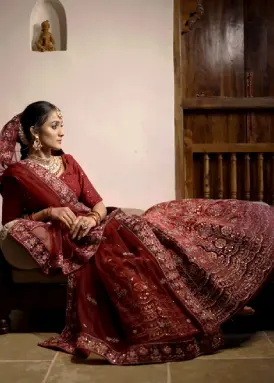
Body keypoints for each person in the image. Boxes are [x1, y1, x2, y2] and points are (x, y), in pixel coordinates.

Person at [0, 101, 273, 365]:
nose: (62, 132)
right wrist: (49, 213)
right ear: (35, 132)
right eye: (55, 125)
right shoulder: (17, 175)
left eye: (62, 125)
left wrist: (94, 217)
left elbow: (97, 202)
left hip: (96, 224)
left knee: (165, 221)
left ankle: (250, 223)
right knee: (139, 242)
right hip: (76, 238)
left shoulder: (69, 162)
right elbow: (10, 224)